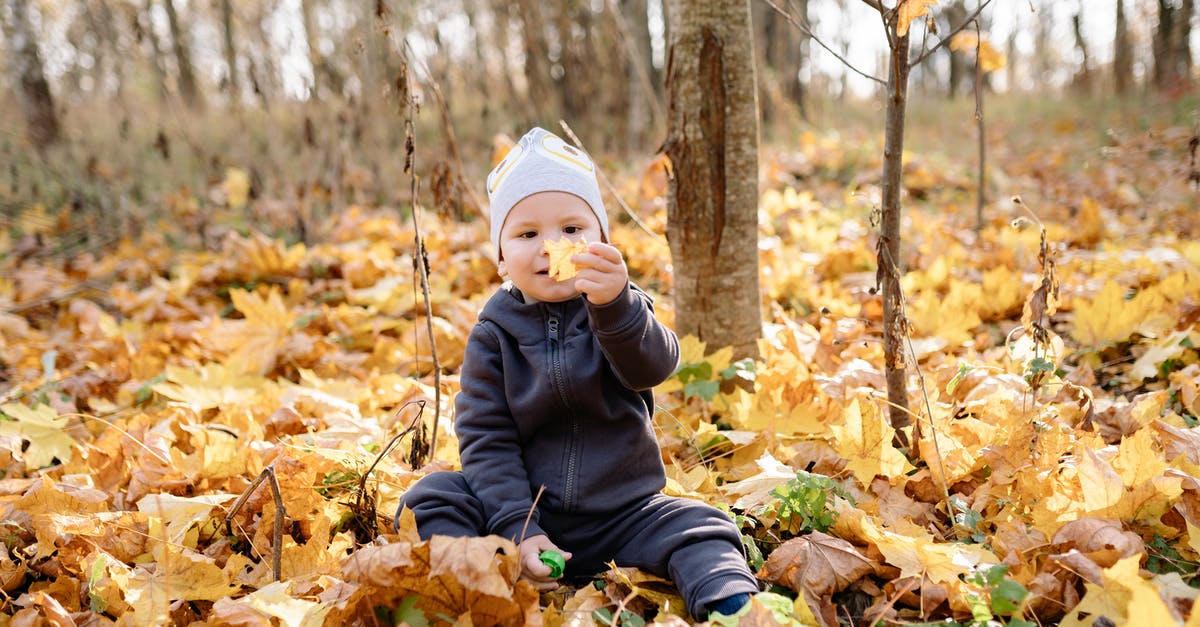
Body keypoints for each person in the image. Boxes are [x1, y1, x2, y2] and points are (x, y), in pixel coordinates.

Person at [397, 127, 759, 620]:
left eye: (572, 230)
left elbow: (652, 366)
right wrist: (519, 528)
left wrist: (617, 307)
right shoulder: (493, 335)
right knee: (432, 497)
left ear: (602, 242)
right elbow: (487, 439)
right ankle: (468, 590)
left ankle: (732, 607)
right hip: (524, 515)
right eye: (527, 234)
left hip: (624, 515)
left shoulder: (621, 310)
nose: (551, 246)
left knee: (703, 526)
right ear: (501, 258)